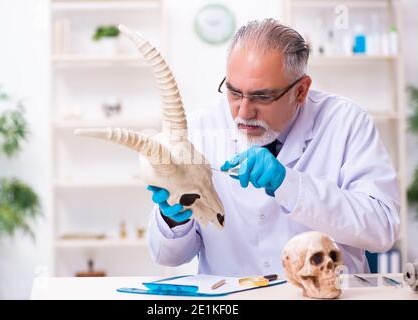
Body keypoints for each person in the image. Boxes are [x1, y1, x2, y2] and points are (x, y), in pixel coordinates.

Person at [146, 18, 400, 275]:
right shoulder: (200, 129)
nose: (243, 112)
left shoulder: (346, 122)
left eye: (262, 96)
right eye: (234, 92)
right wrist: (172, 220)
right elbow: (167, 256)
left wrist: (288, 184)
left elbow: (383, 229)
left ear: (300, 91)